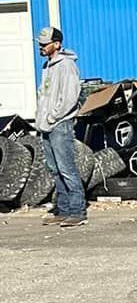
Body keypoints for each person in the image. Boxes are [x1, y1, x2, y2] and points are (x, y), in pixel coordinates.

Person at [34, 26, 86, 228]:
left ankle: (78, 211)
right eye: (39, 44)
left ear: (56, 44)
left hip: (59, 125)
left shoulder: (66, 65)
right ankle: (63, 211)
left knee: (67, 169)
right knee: (54, 170)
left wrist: (53, 117)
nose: (41, 47)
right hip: (46, 126)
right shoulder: (47, 67)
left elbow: (70, 97)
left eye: (44, 44)